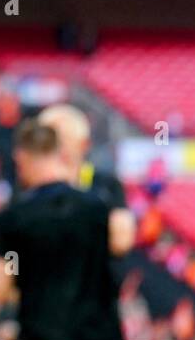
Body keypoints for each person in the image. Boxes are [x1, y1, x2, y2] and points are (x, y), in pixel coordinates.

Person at [0, 121, 127, 340]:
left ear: (21, 157)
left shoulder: (13, 218)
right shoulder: (98, 208)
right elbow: (121, 243)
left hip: (41, 335)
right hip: (99, 335)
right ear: (60, 154)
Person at [38, 103, 135, 253]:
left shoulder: (107, 186)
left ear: (84, 145)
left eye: (63, 141)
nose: (58, 150)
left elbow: (122, 242)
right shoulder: (32, 186)